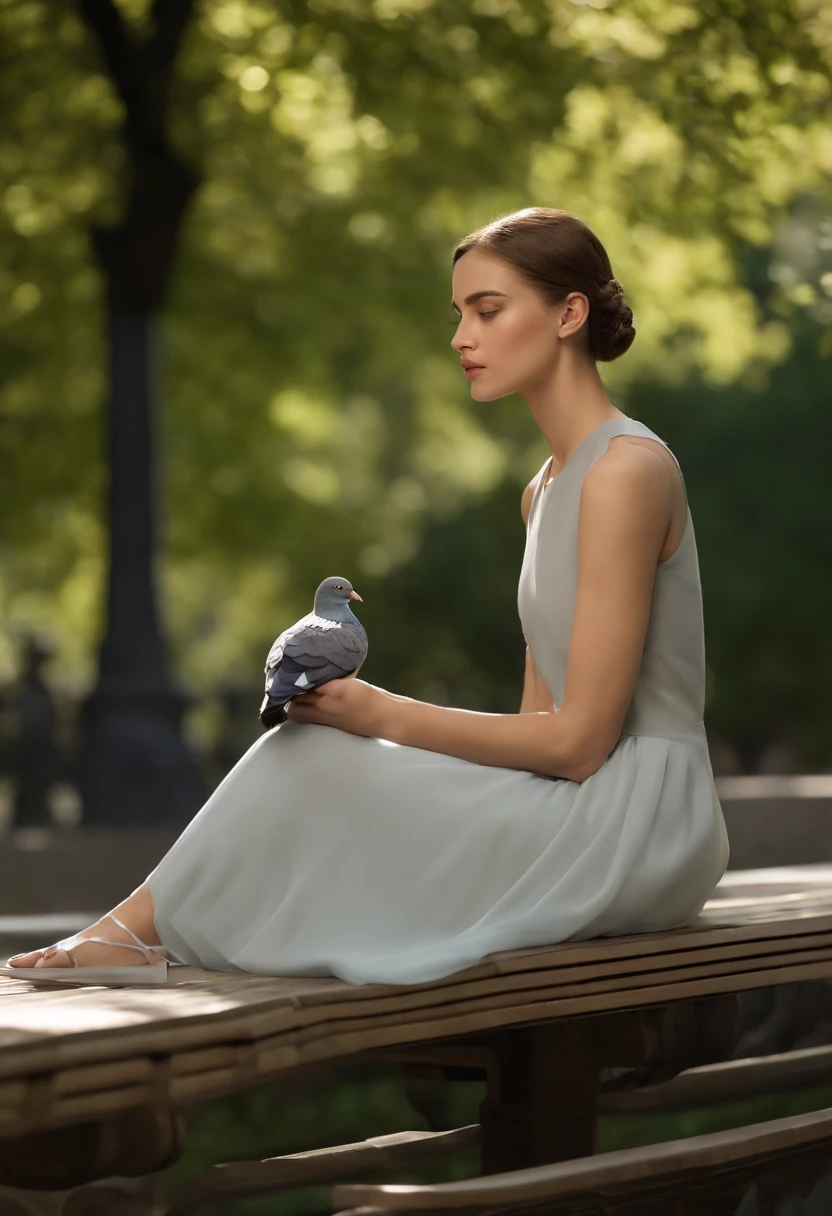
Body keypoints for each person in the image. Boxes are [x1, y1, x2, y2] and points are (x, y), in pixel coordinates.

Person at [3, 206, 729, 986]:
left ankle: (134, 934)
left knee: (323, 750)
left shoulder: (627, 471)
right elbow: (537, 732)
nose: (461, 337)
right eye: (459, 314)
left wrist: (381, 716)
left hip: (645, 821)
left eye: (487, 310)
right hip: (578, 806)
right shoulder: (543, 491)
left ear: (569, 314)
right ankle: (141, 932)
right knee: (314, 748)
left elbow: (580, 743)